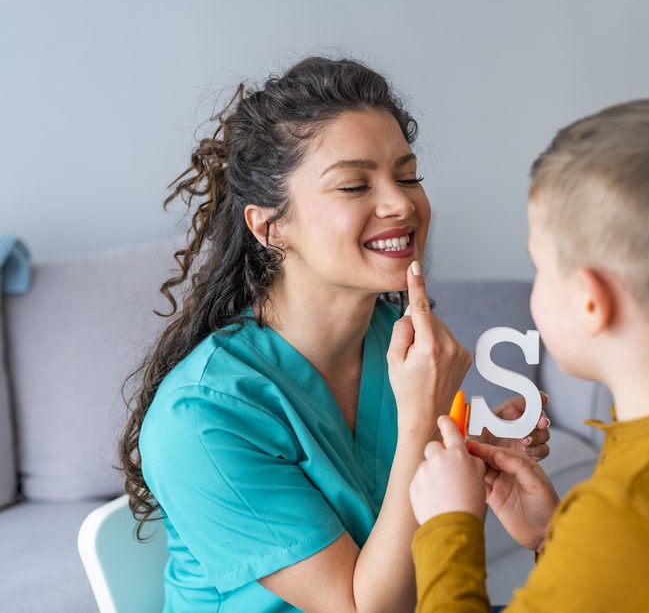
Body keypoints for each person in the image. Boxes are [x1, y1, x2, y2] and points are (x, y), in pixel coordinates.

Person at [117, 57, 550, 612]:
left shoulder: (395, 341)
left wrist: (473, 457)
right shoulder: (200, 417)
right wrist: (423, 420)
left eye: (408, 174)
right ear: (270, 225)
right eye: (353, 185)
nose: (401, 203)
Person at [408, 98, 649, 611]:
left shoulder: (624, 514)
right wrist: (558, 536)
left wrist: (449, 527)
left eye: (539, 267)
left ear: (591, 301)